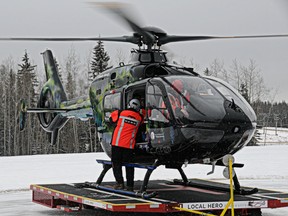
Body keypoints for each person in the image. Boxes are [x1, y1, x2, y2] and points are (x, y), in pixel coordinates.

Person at [109, 99, 144, 191]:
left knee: (116, 164)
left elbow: (110, 119)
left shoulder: (120, 113)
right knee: (129, 165)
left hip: (117, 143)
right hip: (129, 145)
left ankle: (119, 183)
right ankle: (130, 185)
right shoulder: (139, 118)